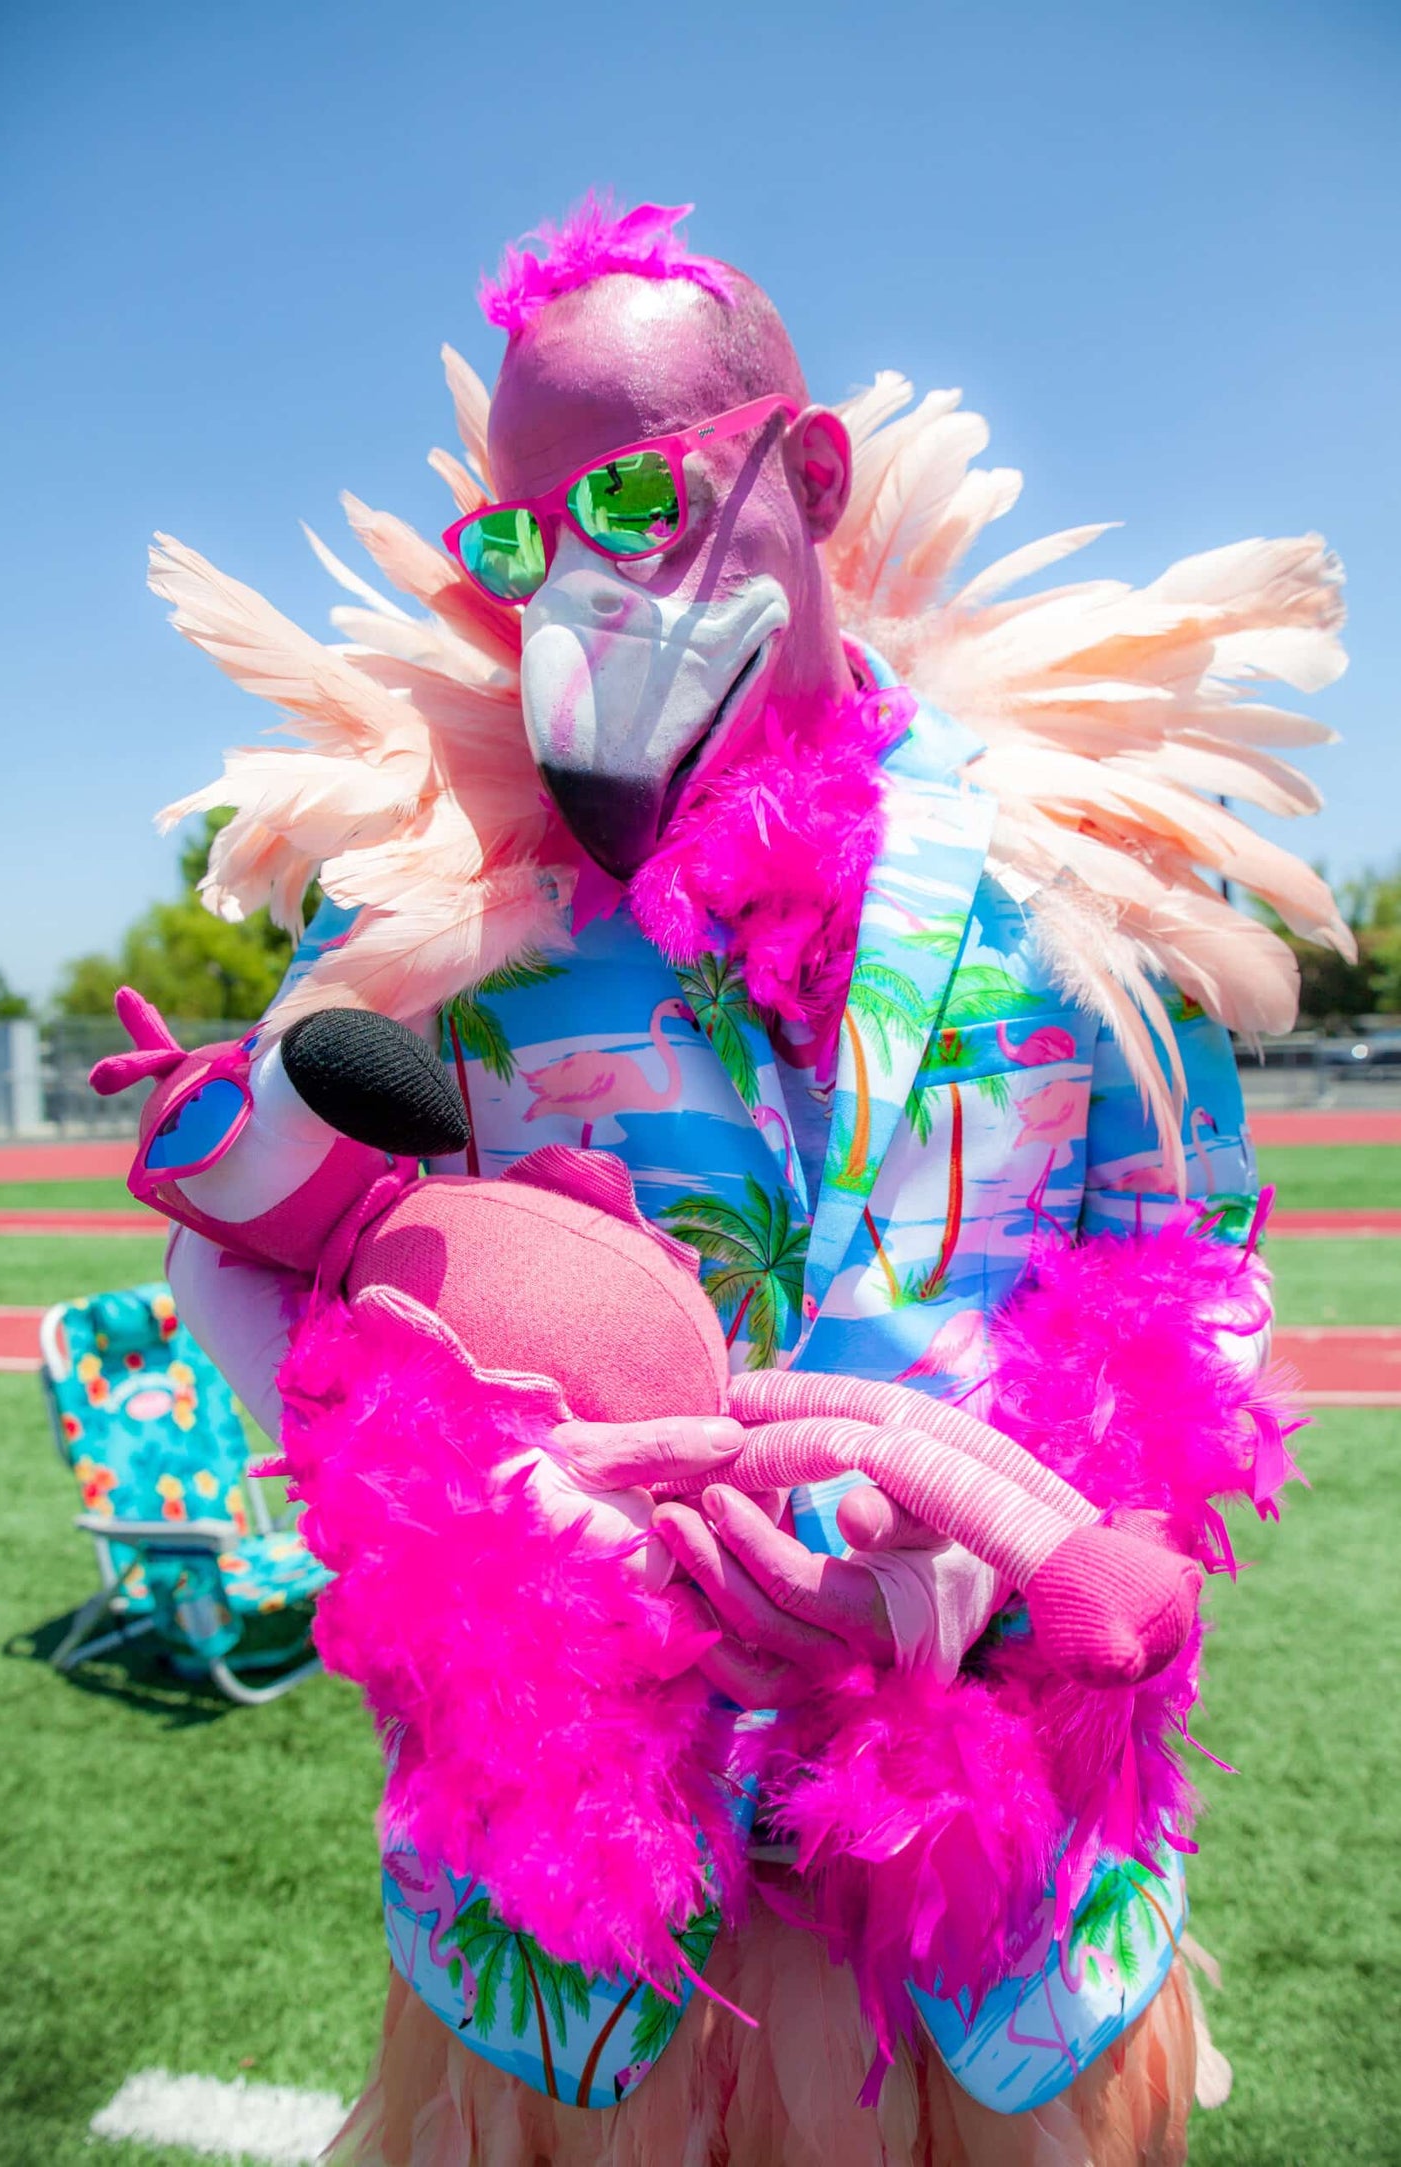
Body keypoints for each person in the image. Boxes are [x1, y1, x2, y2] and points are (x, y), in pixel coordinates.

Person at [145, 196, 1349, 2165]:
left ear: (807, 474)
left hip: (1002, 1887)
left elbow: (1193, 1256)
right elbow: (254, 1256)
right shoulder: (434, 905)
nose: (578, 584)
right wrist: (483, 1521)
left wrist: (1028, 1530)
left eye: (635, 500)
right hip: (572, 1893)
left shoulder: (1080, 874)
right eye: (518, 543)